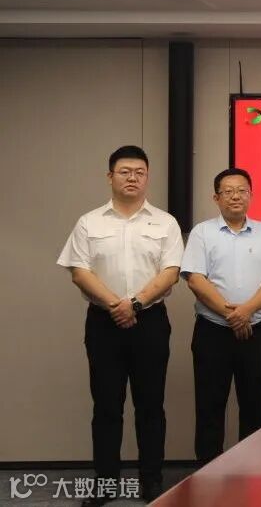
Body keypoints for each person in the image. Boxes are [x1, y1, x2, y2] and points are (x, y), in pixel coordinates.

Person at [57, 145, 183, 505]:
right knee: (106, 407)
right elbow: (79, 271)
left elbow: (171, 272)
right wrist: (117, 305)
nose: (133, 178)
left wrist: (136, 303)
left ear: (148, 177)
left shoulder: (165, 222)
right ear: (110, 176)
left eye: (140, 172)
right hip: (104, 323)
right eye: (125, 171)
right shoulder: (89, 222)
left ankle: (151, 481)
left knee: (151, 405)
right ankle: (106, 483)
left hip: (150, 322)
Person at [180, 167, 261, 465]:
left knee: (254, 408)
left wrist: (246, 312)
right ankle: (206, 475)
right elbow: (195, 279)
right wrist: (233, 315)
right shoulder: (202, 232)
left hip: (256, 333)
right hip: (212, 333)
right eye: (228, 192)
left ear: (251, 195)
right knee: (209, 408)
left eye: (241, 191)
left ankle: (250, 475)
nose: (235, 196)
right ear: (216, 198)